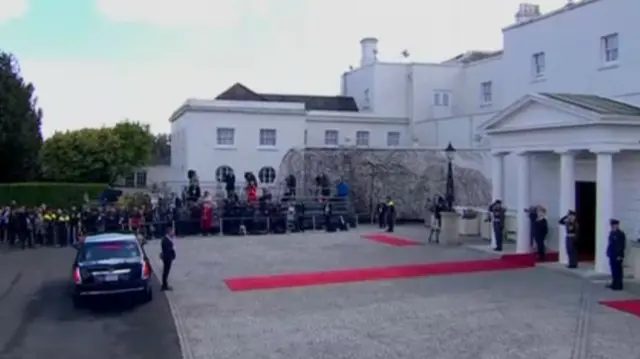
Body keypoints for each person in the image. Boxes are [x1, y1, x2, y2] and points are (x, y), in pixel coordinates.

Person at [606, 219, 626, 291]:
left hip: (618, 255)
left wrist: (619, 255)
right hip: (612, 254)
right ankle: (614, 283)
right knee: (613, 270)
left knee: (618, 270)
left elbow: (622, 246)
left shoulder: (621, 234)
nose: (613, 227)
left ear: (617, 225)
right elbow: (610, 243)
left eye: (615, 225)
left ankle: (619, 284)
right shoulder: (611, 233)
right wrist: (608, 251)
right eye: (612, 225)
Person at [160, 227, 176, 291]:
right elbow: (168, 249)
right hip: (167, 258)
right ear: (169, 232)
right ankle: (164, 285)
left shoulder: (168, 239)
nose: (173, 233)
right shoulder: (165, 240)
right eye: (172, 232)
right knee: (165, 271)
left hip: (168, 257)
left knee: (166, 271)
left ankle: (165, 284)